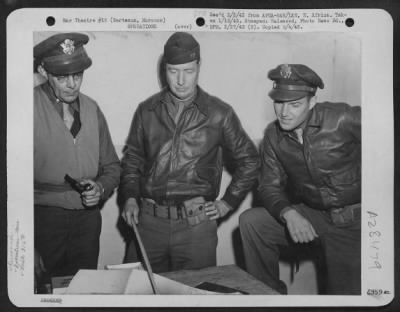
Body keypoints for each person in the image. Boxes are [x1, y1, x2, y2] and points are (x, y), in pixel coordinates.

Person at [119, 32, 260, 273]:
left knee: (196, 296)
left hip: (196, 227)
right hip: (148, 222)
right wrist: (130, 196)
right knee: (137, 295)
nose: (181, 80)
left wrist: (229, 201)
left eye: (189, 71)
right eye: (173, 71)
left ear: (198, 67)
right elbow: (133, 159)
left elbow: (250, 160)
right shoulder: (147, 110)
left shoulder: (219, 113)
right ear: (164, 70)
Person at [239, 64, 361, 295]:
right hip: (314, 214)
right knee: (252, 222)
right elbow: (269, 185)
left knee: (345, 298)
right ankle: (266, 297)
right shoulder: (273, 136)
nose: (284, 113)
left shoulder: (342, 118)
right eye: (279, 103)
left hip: (353, 223)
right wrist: (289, 213)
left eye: (294, 105)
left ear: (312, 102)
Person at [33, 33, 121, 285]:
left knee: (82, 291)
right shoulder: (25, 107)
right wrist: (24, 243)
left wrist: (101, 188)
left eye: (78, 75)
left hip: (87, 222)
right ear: (43, 70)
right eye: (62, 77)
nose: (72, 84)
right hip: (43, 220)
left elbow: (112, 167)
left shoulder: (93, 108)